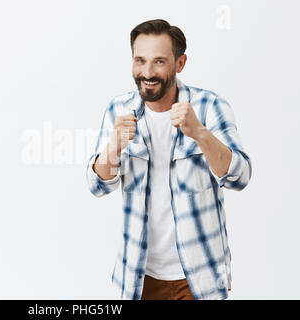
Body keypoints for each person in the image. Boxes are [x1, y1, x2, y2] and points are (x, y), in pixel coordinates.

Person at [86, 19, 252, 300]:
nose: (147, 72)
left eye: (159, 62)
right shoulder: (119, 109)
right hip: (138, 277)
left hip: (200, 278)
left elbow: (240, 177)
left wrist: (199, 132)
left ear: (180, 63)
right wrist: (113, 146)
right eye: (140, 60)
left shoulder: (210, 107)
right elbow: (97, 186)